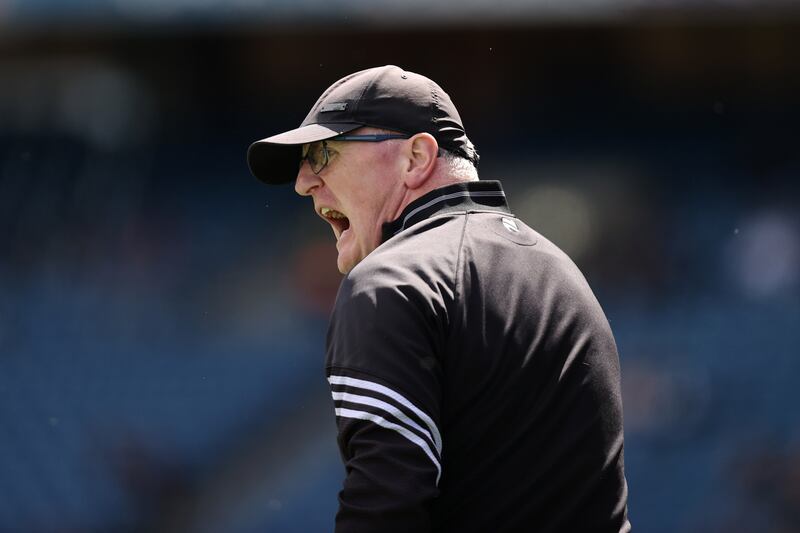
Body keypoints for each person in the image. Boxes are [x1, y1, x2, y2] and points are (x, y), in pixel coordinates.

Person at [247, 65, 631, 532]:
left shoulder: (391, 280)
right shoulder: (561, 271)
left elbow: (384, 509)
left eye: (324, 154)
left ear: (416, 158)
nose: (303, 182)